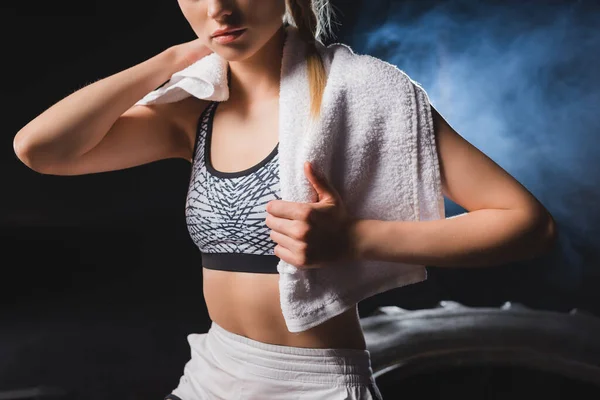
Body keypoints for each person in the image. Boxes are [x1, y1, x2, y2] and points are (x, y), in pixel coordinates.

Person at [12, 0, 558, 399]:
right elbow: (41, 149)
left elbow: (528, 224)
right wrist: (170, 59)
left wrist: (355, 238)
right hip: (213, 371)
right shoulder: (193, 110)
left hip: (312, 384)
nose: (219, 8)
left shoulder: (362, 92)